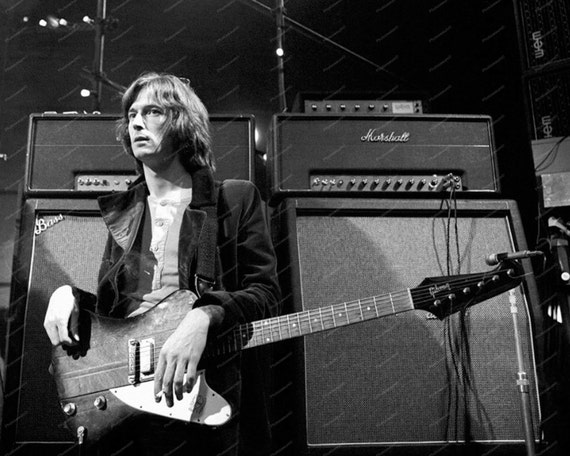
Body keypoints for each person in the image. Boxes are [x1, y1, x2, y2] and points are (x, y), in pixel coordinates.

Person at [43, 72, 281, 455]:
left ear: (183, 124)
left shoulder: (233, 199)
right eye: (132, 114)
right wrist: (67, 294)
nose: (136, 121)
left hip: (202, 390)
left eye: (152, 111)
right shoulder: (126, 212)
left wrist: (204, 316)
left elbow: (266, 294)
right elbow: (118, 318)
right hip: (129, 402)